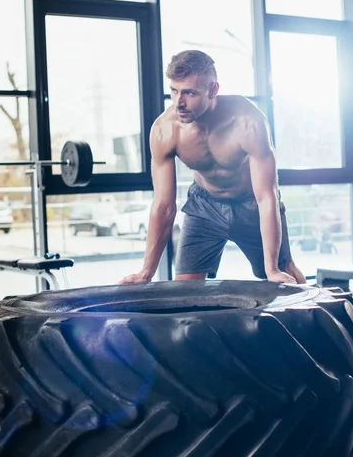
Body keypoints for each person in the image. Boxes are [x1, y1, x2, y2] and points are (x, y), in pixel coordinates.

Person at [121, 50, 305, 285]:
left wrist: (272, 269)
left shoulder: (248, 122)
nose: (179, 102)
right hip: (204, 206)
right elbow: (164, 206)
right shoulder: (164, 131)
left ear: (213, 90)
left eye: (190, 93)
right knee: (185, 289)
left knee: (283, 276)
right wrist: (146, 272)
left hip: (251, 203)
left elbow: (267, 197)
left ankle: (315, 316)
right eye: (174, 91)